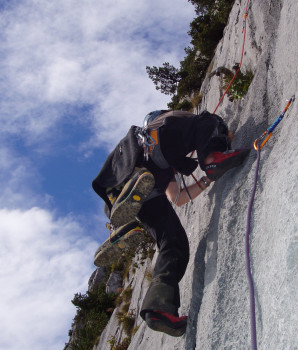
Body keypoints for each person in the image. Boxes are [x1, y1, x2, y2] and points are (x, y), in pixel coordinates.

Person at [92, 110, 249, 337]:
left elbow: (178, 198)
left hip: (140, 192)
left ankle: (159, 308)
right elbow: (186, 117)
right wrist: (218, 143)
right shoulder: (165, 125)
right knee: (208, 118)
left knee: (174, 245)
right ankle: (211, 158)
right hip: (147, 158)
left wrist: (208, 179)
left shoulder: (165, 163)